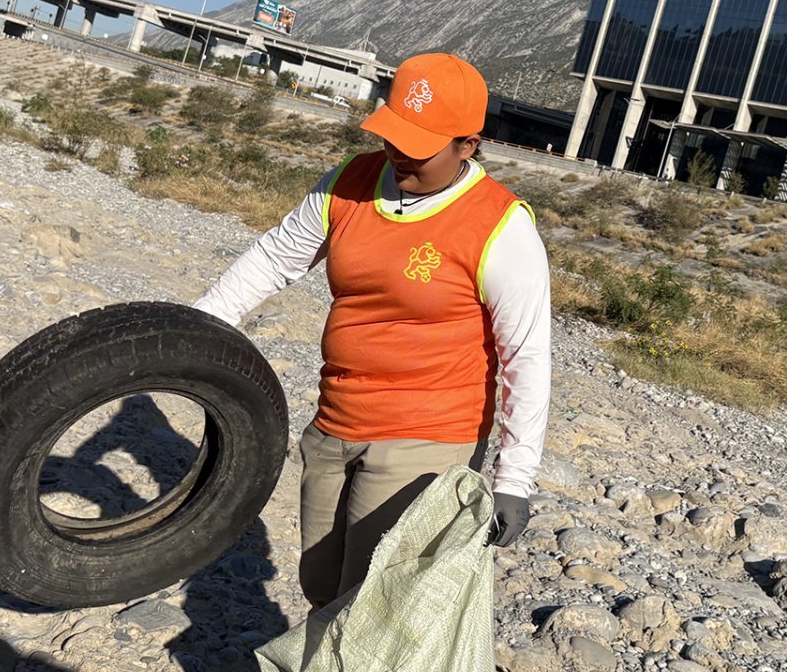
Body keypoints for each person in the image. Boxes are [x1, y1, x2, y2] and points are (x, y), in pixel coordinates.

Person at [195, 52, 551, 611]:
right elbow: (274, 260)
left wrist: (515, 478)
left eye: (419, 146)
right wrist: (194, 330)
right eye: (393, 137)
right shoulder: (350, 182)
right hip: (337, 418)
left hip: (428, 436)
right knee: (319, 583)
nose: (399, 155)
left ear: (468, 145)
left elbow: (527, 358)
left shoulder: (500, 225)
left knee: (372, 605)